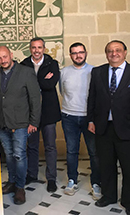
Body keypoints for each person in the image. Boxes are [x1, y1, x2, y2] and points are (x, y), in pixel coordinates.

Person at [0, 46, 41, 205]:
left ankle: (20, 187)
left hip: (21, 123)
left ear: (11, 55)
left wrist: (34, 122)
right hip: (2, 123)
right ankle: (12, 182)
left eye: (5, 56)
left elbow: (35, 98)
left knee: (19, 155)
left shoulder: (26, 72)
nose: (3, 60)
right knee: (8, 154)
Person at [87, 40, 130, 214]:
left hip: (126, 128)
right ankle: (109, 195)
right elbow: (92, 98)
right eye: (110, 51)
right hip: (103, 127)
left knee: (128, 167)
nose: (114, 53)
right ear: (106, 54)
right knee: (106, 164)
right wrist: (90, 120)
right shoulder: (97, 72)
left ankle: (127, 200)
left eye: (118, 50)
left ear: (125, 52)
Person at [60, 42, 101, 199]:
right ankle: (72, 180)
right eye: (74, 53)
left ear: (86, 53)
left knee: (94, 152)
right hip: (69, 117)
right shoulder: (64, 72)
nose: (78, 55)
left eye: (81, 52)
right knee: (71, 151)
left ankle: (96, 183)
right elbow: (62, 92)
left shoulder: (95, 71)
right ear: (70, 55)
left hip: (89, 118)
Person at [21, 37, 60, 193]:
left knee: (50, 146)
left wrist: (34, 82)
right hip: (31, 114)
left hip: (49, 112)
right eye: (33, 47)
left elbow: (50, 84)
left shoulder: (53, 64)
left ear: (44, 49)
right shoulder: (23, 64)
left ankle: (51, 178)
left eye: (39, 47)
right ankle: (31, 174)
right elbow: (23, 88)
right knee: (32, 146)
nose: (36, 50)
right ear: (30, 49)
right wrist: (42, 80)